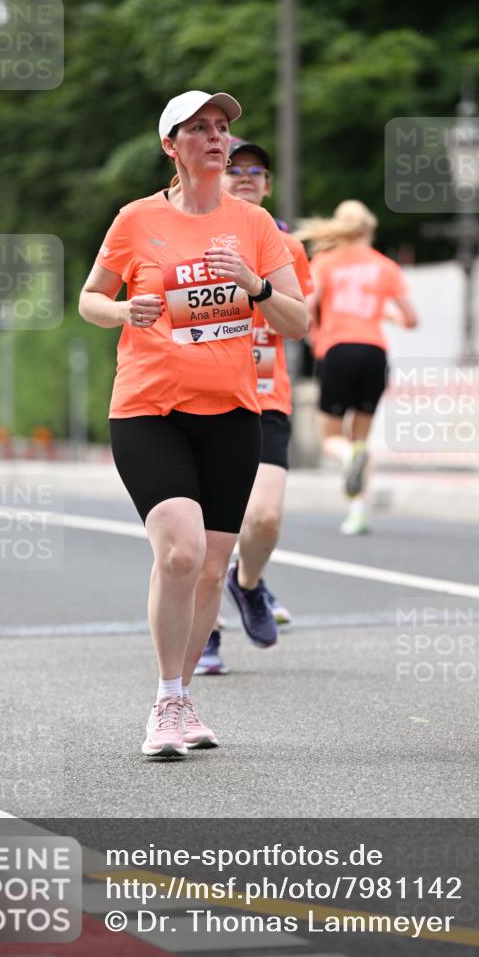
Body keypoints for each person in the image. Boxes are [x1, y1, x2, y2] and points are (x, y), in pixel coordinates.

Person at [78, 91, 308, 758]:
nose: (216, 138)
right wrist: (124, 313)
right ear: (170, 145)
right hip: (148, 409)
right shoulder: (135, 220)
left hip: (233, 414)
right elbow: (91, 298)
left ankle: (182, 698)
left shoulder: (254, 225)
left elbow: (298, 321)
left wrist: (256, 286)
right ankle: (164, 701)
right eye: (200, 128)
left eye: (222, 128)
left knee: (210, 569)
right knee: (179, 551)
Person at [195, 137, 314, 677]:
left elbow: (299, 318)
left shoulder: (288, 247)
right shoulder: (190, 235)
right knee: (201, 530)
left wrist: (257, 287)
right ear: (216, 178)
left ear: (267, 186)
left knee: (263, 517)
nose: (245, 176)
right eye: (235, 168)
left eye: (256, 171)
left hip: (265, 395)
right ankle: (206, 633)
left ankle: (246, 585)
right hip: (203, 395)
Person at [297, 200, 418, 535]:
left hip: (337, 351)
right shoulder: (384, 266)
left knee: (332, 438)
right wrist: (386, 314)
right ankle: (358, 511)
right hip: (374, 353)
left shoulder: (325, 262)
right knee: (362, 438)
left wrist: (313, 334)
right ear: (369, 229)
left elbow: (307, 307)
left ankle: (348, 456)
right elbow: (411, 319)